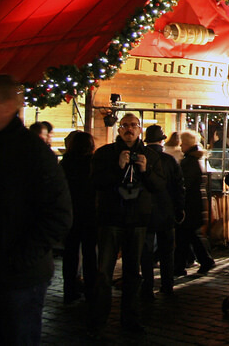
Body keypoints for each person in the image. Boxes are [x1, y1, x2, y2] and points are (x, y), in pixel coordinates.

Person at [0, 75, 72, 345]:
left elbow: (59, 214)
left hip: (17, 279)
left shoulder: (32, 153)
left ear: (7, 105)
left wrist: (20, 259)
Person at [91, 112, 165, 334]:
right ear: (119, 129)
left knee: (134, 272)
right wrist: (118, 167)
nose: (129, 129)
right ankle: (98, 320)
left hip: (138, 221)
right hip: (111, 219)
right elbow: (95, 182)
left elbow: (159, 186)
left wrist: (146, 170)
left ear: (140, 128)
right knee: (104, 272)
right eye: (125, 125)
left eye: (133, 125)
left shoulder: (150, 156)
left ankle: (130, 319)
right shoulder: (105, 154)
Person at [141, 124, 184, 298]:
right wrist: (179, 208)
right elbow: (179, 187)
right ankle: (167, 285)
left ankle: (147, 286)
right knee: (167, 251)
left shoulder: (141, 158)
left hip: (145, 211)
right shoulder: (169, 160)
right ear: (161, 140)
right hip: (166, 210)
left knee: (146, 252)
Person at [60, 130, 97, 305]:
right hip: (90, 213)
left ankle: (69, 290)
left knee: (70, 253)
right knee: (90, 253)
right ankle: (90, 290)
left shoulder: (66, 163)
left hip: (71, 212)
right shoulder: (92, 163)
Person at [175, 130, 216, 277]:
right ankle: (186, 264)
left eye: (182, 143)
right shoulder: (196, 159)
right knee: (189, 235)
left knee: (187, 235)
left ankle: (199, 262)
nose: (180, 146)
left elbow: (185, 183)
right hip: (196, 202)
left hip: (190, 203)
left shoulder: (189, 161)